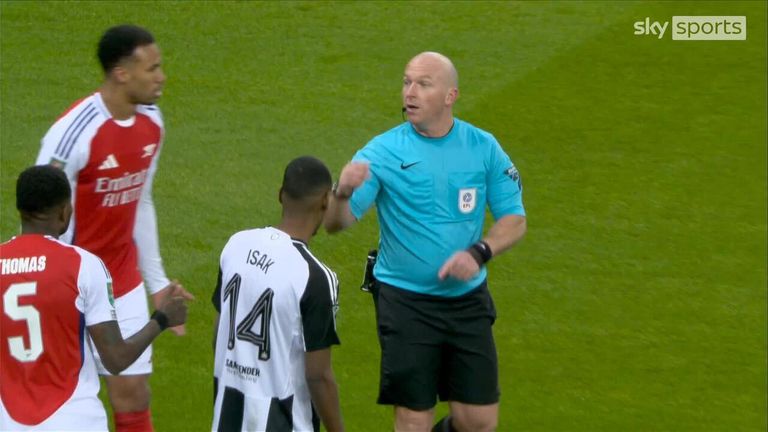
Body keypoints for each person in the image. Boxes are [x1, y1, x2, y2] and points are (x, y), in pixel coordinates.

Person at [324, 52, 527, 432]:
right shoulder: (382, 152)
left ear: (450, 96)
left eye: (423, 84)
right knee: (413, 419)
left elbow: (515, 219)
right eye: (406, 82)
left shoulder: (482, 147)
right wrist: (342, 192)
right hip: (405, 302)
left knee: (478, 421)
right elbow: (336, 224)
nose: (410, 92)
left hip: (466, 301)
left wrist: (479, 252)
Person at [34, 24, 192, 432]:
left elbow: (141, 199)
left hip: (120, 280)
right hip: (69, 284)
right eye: (152, 68)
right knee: (61, 398)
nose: (162, 77)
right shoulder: (72, 134)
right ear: (122, 73)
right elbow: (39, 217)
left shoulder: (152, 122)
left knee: (133, 393)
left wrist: (157, 283)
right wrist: (54, 284)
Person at [0, 165, 189, 431]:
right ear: (65, 211)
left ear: (20, 209)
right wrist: (161, 318)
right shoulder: (83, 266)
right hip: (75, 420)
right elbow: (116, 359)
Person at [211, 156, 344, 432]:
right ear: (325, 201)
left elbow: (219, 336)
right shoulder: (316, 278)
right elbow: (318, 376)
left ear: (280, 194)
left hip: (226, 418)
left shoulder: (235, 246)